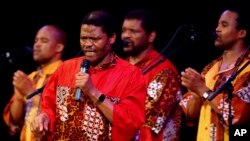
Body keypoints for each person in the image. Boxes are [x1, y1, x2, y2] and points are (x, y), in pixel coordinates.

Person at [30, 10, 146, 141]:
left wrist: (93, 92)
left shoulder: (131, 75)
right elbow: (48, 105)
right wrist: (43, 118)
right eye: (84, 38)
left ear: (112, 38)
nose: (87, 44)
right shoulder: (65, 68)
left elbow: (130, 124)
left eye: (95, 39)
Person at [179, 6, 250, 141]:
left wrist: (202, 89)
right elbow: (191, 116)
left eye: (224, 25)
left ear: (241, 33)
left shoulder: (248, 69)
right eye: (218, 24)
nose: (217, 29)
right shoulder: (210, 68)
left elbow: (236, 114)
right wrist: (195, 94)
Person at [121, 9, 182, 141]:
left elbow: (149, 121)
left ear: (151, 36)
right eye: (124, 30)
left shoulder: (164, 71)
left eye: (133, 31)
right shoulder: (119, 67)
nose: (125, 35)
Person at [3, 24, 66, 141]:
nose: (37, 45)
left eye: (44, 41)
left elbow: (61, 115)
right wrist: (18, 95)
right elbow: (16, 121)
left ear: (59, 47)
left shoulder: (65, 75)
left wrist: (30, 92)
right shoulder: (31, 77)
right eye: (36, 40)